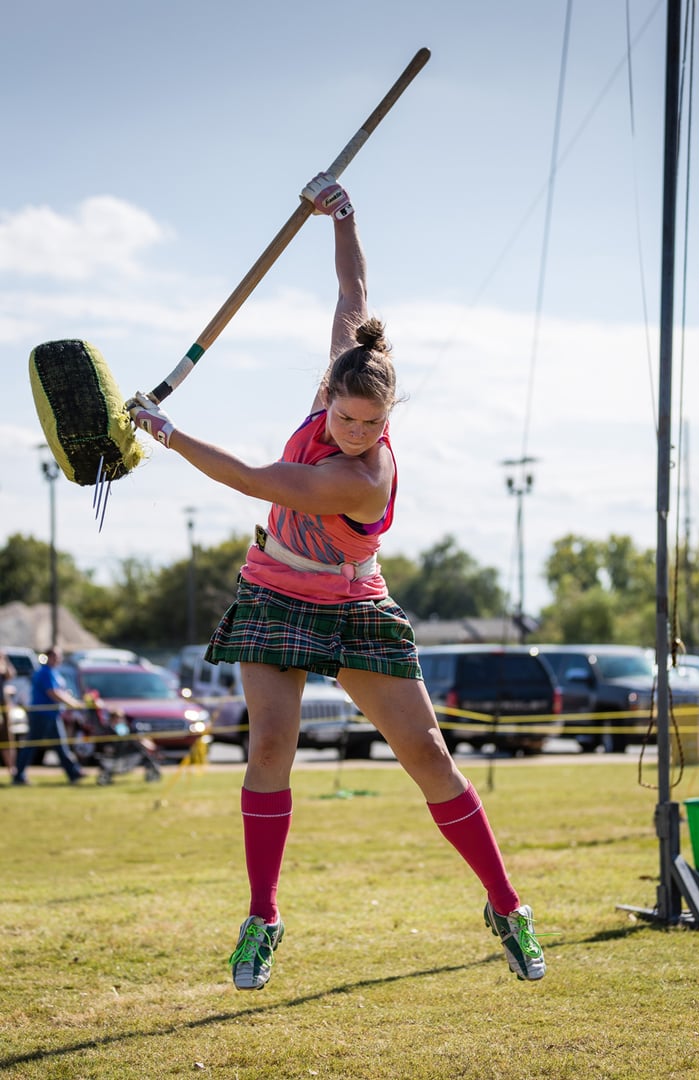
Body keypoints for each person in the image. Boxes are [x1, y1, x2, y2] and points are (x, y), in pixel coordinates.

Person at [128, 173, 546, 989]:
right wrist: (344, 214)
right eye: (346, 418)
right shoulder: (341, 378)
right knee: (272, 744)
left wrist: (168, 431)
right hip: (276, 590)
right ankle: (262, 917)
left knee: (428, 754)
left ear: (389, 421)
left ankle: (506, 905)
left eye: (371, 425)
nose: (354, 432)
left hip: (353, 603)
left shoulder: (362, 479)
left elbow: (256, 479)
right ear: (332, 392)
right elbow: (354, 289)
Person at [13, 646, 86, 785]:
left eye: (59, 656)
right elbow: (53, 692)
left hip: (52, 714)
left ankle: (73, 772)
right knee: (31, 745)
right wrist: (73, 703)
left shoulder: (53, 672)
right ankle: (19, 776)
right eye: (55, 656)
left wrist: (73, 702)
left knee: (60, 745)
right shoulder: (45, 672)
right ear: (48, 657)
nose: (58, 659)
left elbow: (60, 691)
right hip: (41, 714)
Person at [0, 650, 18, 777]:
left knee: (7, 738)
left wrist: (4, 660)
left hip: (3, 705)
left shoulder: (2, 664)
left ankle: (12, 770)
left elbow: (11, 674)